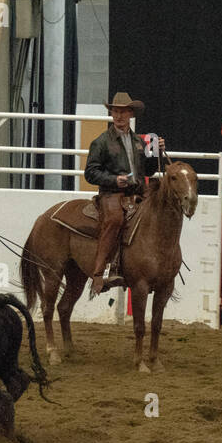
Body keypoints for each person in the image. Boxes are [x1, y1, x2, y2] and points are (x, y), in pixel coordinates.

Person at [83, 91, 165, 296]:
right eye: (115, 111)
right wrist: (113, 180)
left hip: (137, 192)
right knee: (115, 219)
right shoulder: (101, 142)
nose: (119, 116)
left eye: (123, 112)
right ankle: (99, 273)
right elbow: (90, 173)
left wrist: (156, 154)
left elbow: (148, 171)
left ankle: (161, 265)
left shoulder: (139, 142)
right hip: (111, 194)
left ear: (130, 114)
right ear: (112, 114)